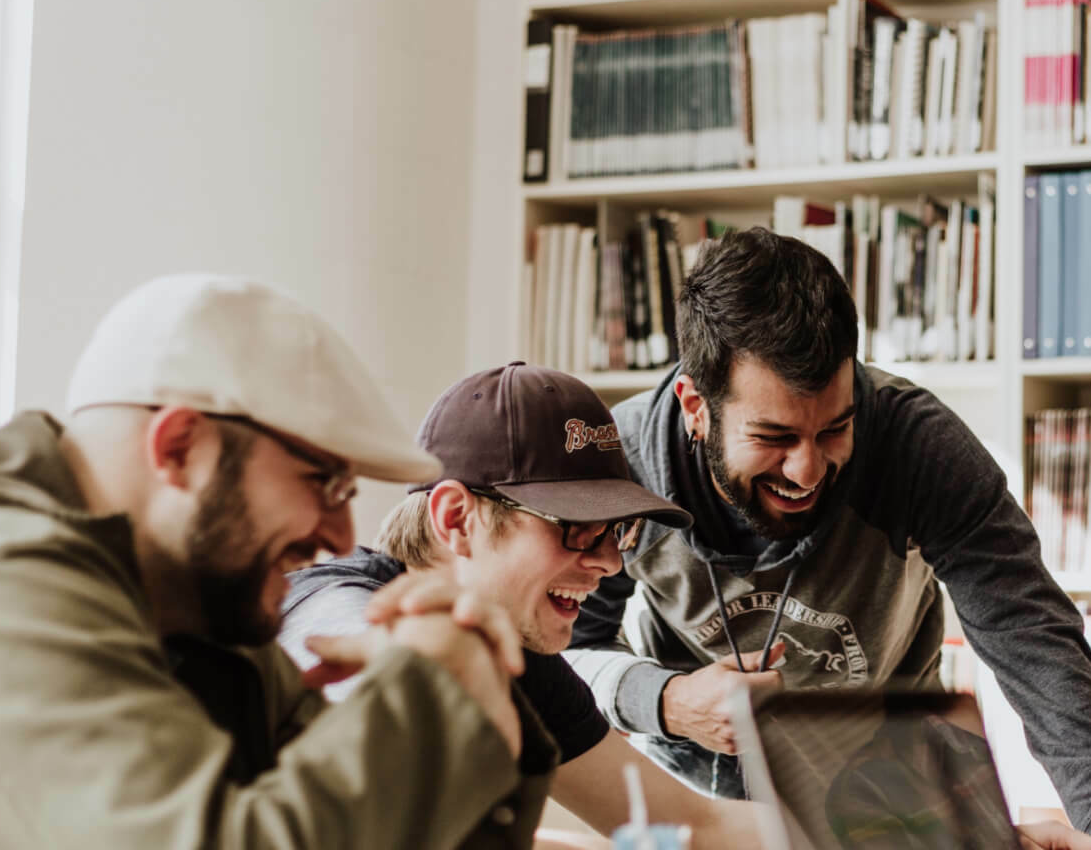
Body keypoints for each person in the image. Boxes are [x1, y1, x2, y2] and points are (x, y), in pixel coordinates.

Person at [565, 228, 1091, 849]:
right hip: (697, 804)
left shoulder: (918, 446)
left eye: (834, 429)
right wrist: (668, 701)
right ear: (695, 407)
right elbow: (564, 654)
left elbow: (1034, 641)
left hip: (892, 794)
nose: (807, 471)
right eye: (774, 438)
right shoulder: (621, 466)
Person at [0, 274, 546, 849]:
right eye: (324, 482)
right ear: (179, 447)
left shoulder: (204, 605)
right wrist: (433, 686)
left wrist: (474, 681)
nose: (342, 539)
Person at [279, 362, 770, 847]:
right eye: (577, 528)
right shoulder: (330, 605)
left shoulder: (518, 653)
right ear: (456, 519)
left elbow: (696, 825)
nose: (610, 563)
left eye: (616, 531)